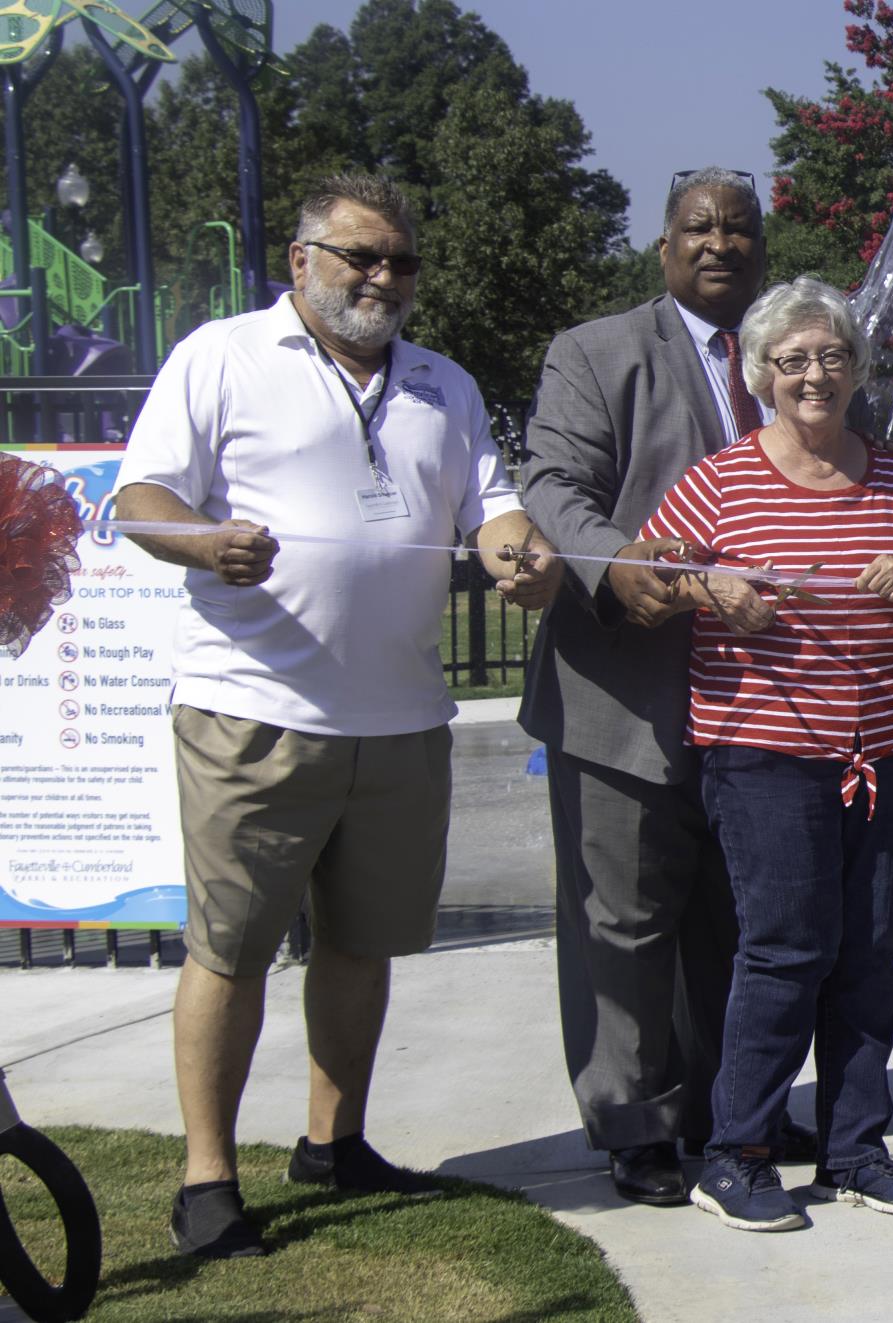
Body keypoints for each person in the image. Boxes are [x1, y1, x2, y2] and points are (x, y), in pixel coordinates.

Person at [112, 174, 561, 1259]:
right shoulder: (221, 356)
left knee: (363, 947)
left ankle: (335, 1141)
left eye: (400, 261)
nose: (382, 279)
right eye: (360, 256)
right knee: (229, 952)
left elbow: (490, 506)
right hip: (253, 712)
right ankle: (207, 1181)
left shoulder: (440, 384)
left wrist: (519, 556)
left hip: (405, 719)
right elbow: (141, 502)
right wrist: (206, 541)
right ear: (301, 260)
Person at [637, 277, 893, 1232]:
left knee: (869, 952)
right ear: (760, 378)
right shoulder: (724, 479)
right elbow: (641, 569)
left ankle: (857, 1147)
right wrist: (712, 588)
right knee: (786, 949)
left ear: (857, 370)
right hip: (766, 755)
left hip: (889, 748)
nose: (814, 376)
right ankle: (737, 1151)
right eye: (793, 361)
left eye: (832, 357)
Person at [517, 166, 816, 1209]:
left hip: (765, 697)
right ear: (663, 246)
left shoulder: (797, 358)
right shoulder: (594, 354)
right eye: (697, 228)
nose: (719, 245)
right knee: (626, 921)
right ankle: (635, 1125)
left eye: (739, 231)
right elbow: (550, 485)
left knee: (741, 921)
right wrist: (616, 563)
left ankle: (737, 1109)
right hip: (624, 690)